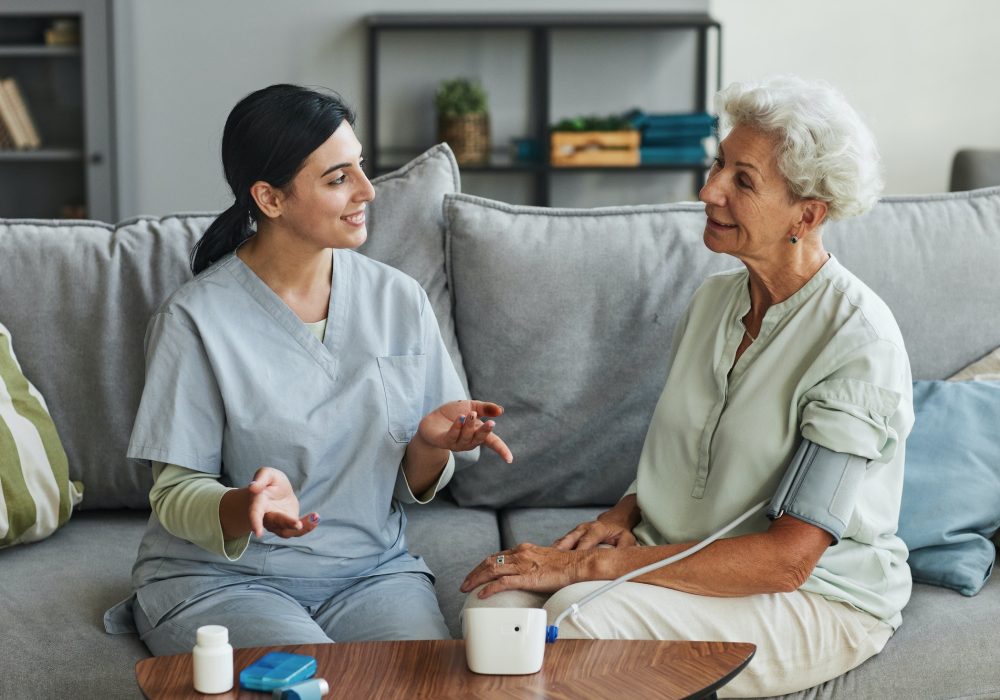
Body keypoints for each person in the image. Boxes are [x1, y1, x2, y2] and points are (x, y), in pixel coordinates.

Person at [461, 75, 913, 698]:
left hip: (816, 599)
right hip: (677, 557)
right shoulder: (714, 304)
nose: (708, 191)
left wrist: (591, 566)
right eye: (717, 166)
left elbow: (789, 559)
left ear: (807, 215)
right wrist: (623, 514)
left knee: (577, 619)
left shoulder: (857, 343)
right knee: (492, 610)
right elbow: (690, 453)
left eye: (742, 181)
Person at [104, 84, 512, 655]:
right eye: (338, 178)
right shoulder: (193, 319)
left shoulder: (399, 299)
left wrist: (429, 443)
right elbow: (175, 494)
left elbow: (407, 480)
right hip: (225, 582)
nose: (368, 191)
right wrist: (246, 507)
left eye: (361, 167)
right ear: (270, 199)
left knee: (424, 689)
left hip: (372, 575)